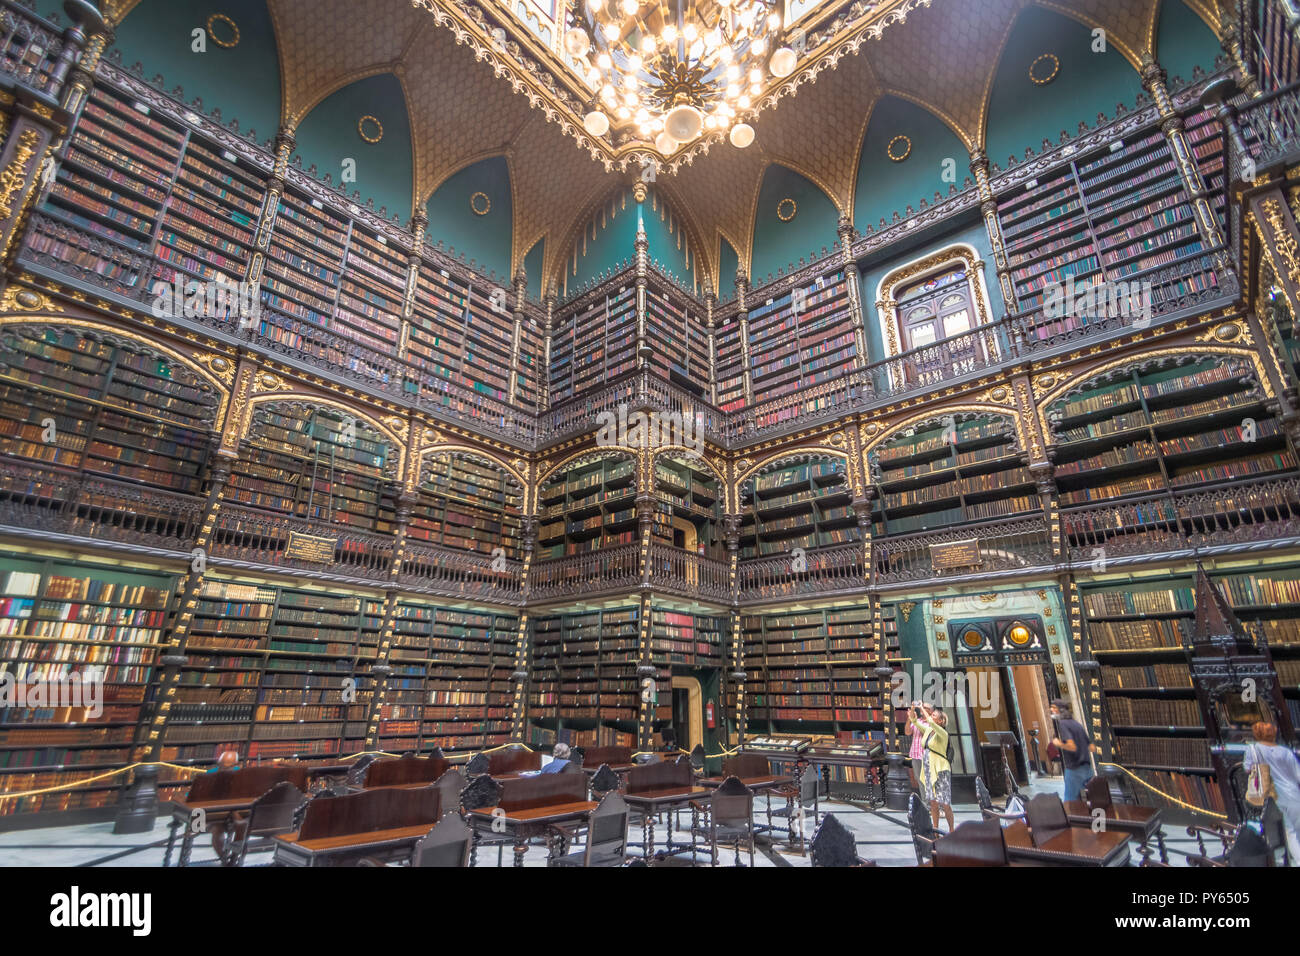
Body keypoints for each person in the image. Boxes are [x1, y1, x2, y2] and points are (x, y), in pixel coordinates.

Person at [1243, 721, 1300, 866]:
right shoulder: (1285, 751)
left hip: (1274, 796)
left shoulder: (1253, 748)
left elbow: (1248, 769)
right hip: (1294, 794)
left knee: (1289, 832)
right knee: (1296, 829)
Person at [913, 701, 954, 833]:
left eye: (934, 715)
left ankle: (952, 829)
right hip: (929, 768)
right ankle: (935, 830)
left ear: (941, 721)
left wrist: (921, 707)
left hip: (941, 769)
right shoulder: (929, 731)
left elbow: (929, 721)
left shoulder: (942, 733)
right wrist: (913, 714)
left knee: (945, 803)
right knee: (933, 802)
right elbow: (916, 723)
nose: (932, 716)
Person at [1050, 699, 1098, 802]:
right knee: (1091, 800)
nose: (1051, 710)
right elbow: (1092, 747)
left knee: (1070, 802)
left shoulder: (1063, 724)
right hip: (1087, 768)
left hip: (1074, 769)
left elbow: (1072, 747)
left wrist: (1058, 744)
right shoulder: (1077, 724)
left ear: (1061, 710)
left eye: (1054, 708)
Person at [905, 703, 926, 789]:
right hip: (915, 754)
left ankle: (932, 801)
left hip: (926, 755)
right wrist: (910, 718)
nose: (922, 709)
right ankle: (925, 801)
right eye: (922, 708)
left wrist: (914, 720)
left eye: (925, 708)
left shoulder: (932, 722)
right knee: (919, 779)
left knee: (928, 779)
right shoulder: (918, 721)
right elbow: (907, 732)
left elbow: (925, 731)